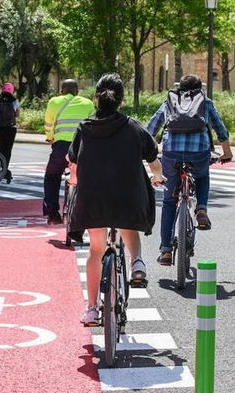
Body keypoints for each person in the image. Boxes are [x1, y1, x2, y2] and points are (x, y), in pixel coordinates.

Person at [67, 73, 165, 325]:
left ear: (96, 98)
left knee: (95, 250)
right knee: (127, 224)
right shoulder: (133, 126)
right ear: (121, 100)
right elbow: (153, 160)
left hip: (93, 200)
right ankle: (138, 263)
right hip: (127, 198)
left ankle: (91, 309)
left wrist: (74, 180)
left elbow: (74, 165)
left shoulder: (85, 127)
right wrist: (158, 177)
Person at [146, 74, 233, 266]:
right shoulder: (205, 102)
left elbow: (151, 128)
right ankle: (201, 208)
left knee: (169, 201)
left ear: (179, 87)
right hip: (199, 152)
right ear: (199, 88)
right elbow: (220, 129)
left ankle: (166, 250)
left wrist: (149, 152)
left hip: (171, 153)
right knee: (202, 176)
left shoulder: (169, 101)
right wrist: (226, 153)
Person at [43, 79, 95, 225]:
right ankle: (86, 213)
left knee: (51, 177)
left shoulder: (54, 102)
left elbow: (48, 124)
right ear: (77, 91)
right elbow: (93, 124)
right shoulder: (88, 103)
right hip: (82, 149)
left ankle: (53, 214)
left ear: (61, 91)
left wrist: (50, 138)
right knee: (86, 178)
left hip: (61, 148)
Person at [0, 83, 20, 184]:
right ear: (12, 91)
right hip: (11, 128)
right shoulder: (15, 101)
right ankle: (5, 169)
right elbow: (18, 115)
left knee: (1, 149)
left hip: (0, 127)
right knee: (8, 150)